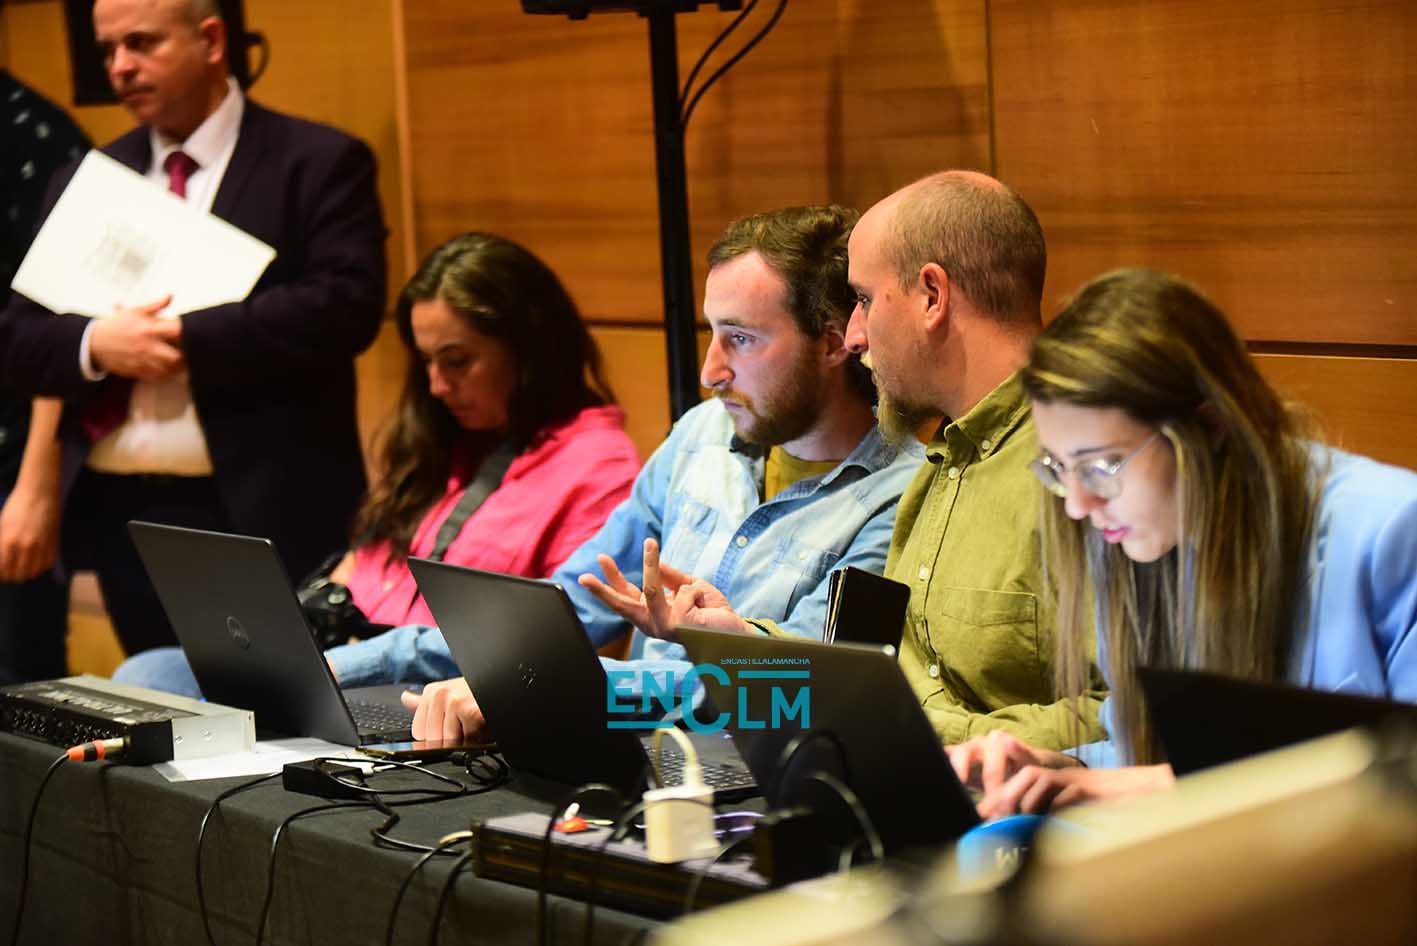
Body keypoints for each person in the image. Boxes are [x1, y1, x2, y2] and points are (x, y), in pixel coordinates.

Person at [326, 205, 923, 741]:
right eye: (712, 333)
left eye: (740, 339)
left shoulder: (899, 495)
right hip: (632, 750)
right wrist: (345, 666)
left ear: (832, 343)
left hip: (748, 777)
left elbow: (790, 690)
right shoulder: (702, 434)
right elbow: (564, 611)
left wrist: (546, 687)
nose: (711, 372)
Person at [952, 267, 1417, 818]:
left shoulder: (1392, 528)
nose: (1077, 505)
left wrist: (1140, 788)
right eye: (1058, 467)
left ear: (1210, 428)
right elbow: (1147, 753)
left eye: (1100, 466)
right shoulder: (1137, 537)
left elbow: (1401, 772)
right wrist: (1059, 766)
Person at [0, 0, 386, 656]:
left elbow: (346, 306)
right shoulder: (89, 179)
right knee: (156, 702)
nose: (120, 67)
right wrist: (97, 344)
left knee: (283, 707)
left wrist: (183, 338)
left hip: (264, 505)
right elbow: (19, 339)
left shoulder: (316, 160)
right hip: (126, 515)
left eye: (141, 43)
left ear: (210, 40)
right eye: (108, 50)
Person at [113, 232, 642, 694]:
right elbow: (359, 565)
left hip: (424, 693)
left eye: (457, 361)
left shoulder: (597, 465)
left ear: (529, 348)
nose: (436, 386)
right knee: (149, 673)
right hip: (338, 663)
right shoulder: (447, 438)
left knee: (167, 699)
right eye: (426, 361)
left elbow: (566, 646)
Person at [842, 170, 1107, 750]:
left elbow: (1130, 715)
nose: (852, 336)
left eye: (863, 300)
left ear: (932, 296)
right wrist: (747, 644)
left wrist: (932, 735)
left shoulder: (1089, 467)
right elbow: (887, 670)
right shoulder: (941, 459)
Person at [0, 70, 90, 684]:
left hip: (12, 458)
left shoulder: (33, 132)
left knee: (20, 684)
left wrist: (36, 487)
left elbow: (60, 320)